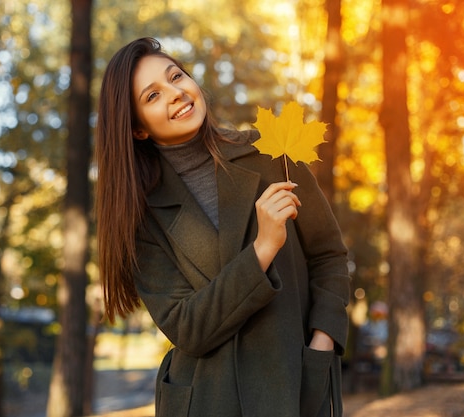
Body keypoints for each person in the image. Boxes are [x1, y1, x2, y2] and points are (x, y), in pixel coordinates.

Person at [95, 37, 350, 417]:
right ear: (137, 130)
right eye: (152, 96)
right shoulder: (141, 218)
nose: (176, 93)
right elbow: (187, 328)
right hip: (208, 399)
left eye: (176, 76)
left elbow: (329, 255)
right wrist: (263, 248)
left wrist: (323, 342)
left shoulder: (273, 153)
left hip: (293, 385)